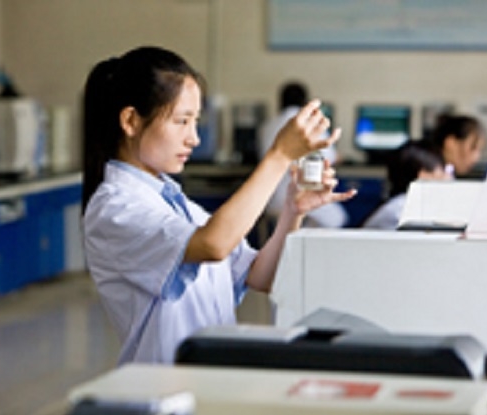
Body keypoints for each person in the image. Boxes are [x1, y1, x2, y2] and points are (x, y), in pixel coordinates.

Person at [81, 46, 356, 365]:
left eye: (195, 121)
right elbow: (213, 244)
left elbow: (262, 276)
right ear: (130, 121)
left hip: (208, 374)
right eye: (182, 121)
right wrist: (279, 156)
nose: (194, 138)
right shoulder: (115, 208)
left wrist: (293, 212)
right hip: (163, 380)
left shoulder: (179, 206)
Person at [259, 81, 348, 228]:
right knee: (338, 219)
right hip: (301, 196)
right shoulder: (311, 123)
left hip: (271, 200)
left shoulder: (267, 126)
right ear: (306, 102)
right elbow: (328, 157)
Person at [362, 140, 449, 230]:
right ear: (423, 176)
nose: (448, 177)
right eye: (444, 171)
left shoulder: (402, 206)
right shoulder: (402, 213)